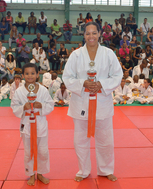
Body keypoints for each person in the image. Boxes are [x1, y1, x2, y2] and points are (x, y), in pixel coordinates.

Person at [62, 21, 122, 182]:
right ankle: (83, 170)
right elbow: (67, 77)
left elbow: (117, 75)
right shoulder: (76, 55)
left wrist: (101, 84)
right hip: (81, 102)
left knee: (105, 140)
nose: (91, 36)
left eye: (94, 33)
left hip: (102, 102)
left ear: (100, 34)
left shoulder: (109, 54)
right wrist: (83, 83)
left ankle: (106, 169)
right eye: (88, 33)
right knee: (80, 141)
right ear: (83, 35)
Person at [11, 63, 53, 186]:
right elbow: (14, 106)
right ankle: (30, 174)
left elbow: (50, 105)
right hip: (27, 125)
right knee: (28, 152)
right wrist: (23, 107)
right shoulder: (19, 91)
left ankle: (40, 173)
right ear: (23, 75)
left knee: (43, 151)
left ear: (37, 74)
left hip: (40, 124)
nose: (30, 76)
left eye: (33, 73)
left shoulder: (43, 90)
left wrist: (42, 106)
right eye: (27, 73)